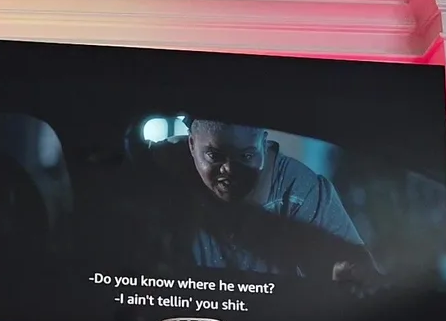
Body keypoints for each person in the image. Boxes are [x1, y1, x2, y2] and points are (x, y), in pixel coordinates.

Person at [128, 119, 379, 283]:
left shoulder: (301, 193)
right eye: (214, 155)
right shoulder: (161, 167)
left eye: (246, 156)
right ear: (191, 144)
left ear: (263, 143)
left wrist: (348, 275)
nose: (229, 170)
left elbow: (358, 279)